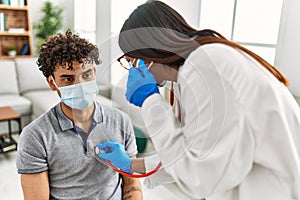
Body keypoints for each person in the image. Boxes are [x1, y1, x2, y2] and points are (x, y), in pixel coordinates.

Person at [96, 1, 300, 199]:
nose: (132, 70)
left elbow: (199, 177)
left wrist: (151, 103)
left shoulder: (206, 65)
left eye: (132, 61)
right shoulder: (201, 64)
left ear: (149, 52)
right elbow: (191, 153)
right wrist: (130, 164)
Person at [16, 30, 143, 200]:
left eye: (86, 74)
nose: (80, 85)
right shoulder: (36, 136)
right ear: (51, 83)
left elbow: (132, 186)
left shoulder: (121, 121)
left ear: (95, 72)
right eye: (68, 79)